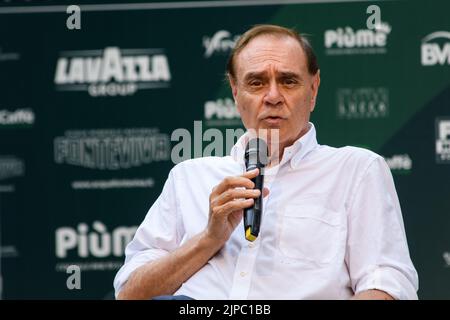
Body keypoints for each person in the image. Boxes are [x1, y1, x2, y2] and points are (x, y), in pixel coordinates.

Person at [113, 24, 418, 300]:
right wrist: (209, 239)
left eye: (288, 81)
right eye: (257, 83)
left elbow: (388, 285)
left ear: (313, 90)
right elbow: (130, 293)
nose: (273, 96)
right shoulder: (188, 177)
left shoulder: (356, 169)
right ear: (235, 93)